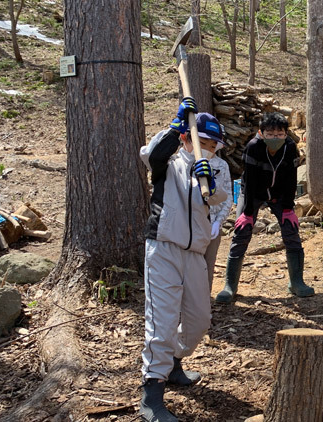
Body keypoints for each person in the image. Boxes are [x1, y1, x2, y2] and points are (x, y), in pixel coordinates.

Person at [138, 97, 229, 421]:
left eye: (213, 145)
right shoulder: (170, 160)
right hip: (163, 248)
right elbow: (150, 156)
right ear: (187, 139)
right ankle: (151, 394)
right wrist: (176, 124)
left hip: (194, 254)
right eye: (202, 143)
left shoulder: (215, 165)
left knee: (199, 321)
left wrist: (211, 180)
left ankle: (174, 363)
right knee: (161, 323)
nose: (209, 149)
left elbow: (219, 196)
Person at [215, 112, 313, 303]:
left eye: (279, 134)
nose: (275, 138)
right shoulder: (253, 147)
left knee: (291, 232)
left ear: (286, 134)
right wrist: (248, 213)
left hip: (279, 194)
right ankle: (230, 286)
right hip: (253, 193)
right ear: (261, 133)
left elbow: (291, 179)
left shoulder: (290, 148)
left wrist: (288, 208)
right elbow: (250, 181)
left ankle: (297, 282)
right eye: (270, 134)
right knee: (241, 233)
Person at [203, 142, 233, 294]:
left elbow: (228, 197)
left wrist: (218, 222)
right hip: (192, 226)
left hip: (214, 226)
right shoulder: (188, 163)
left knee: (208, 266)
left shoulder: (222, 165)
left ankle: (205, 303)